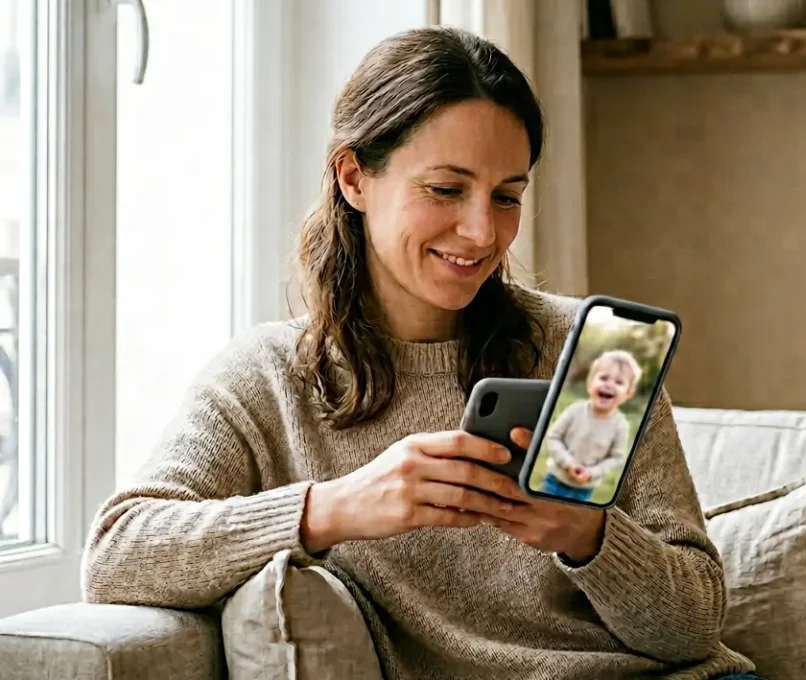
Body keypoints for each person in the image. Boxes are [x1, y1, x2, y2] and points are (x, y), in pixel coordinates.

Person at [80, 25, 761, 680]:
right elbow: (117, 554)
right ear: (354, 178)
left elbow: (696, 624)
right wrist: (337, 506)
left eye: (506, 197)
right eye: (445, 190)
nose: (480, 231)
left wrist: (588, 535)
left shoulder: (590, 354)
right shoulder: (270, 379)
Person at [542, 350, 642, 501]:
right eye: (603, 378)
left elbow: (616, 457)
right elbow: (553, 437)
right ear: (590, 383)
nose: (609, 385)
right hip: (556, 480)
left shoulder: (620, 425)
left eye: (619, 382)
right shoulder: (574, 411)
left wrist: (592, 472)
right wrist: (569, 463)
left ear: (628, 393)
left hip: (585, 489)